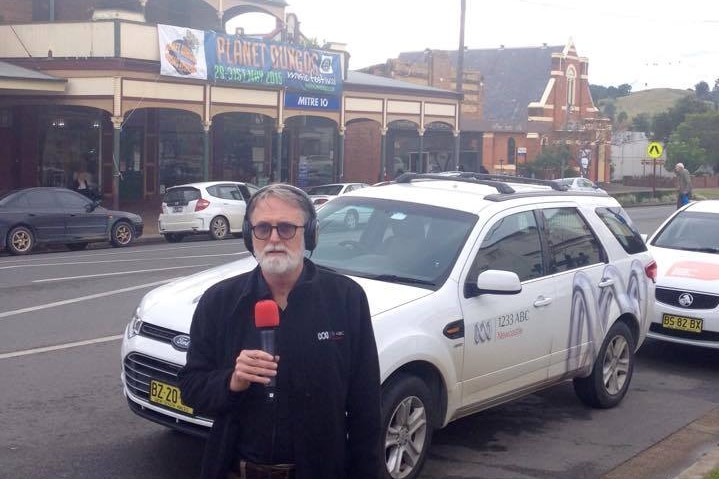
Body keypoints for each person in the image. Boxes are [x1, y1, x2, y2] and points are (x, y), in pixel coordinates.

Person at [178, 183, 382, 479]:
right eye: (263, 228)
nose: (274, 238)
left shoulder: (346, 299)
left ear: (309, 234)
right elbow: (191, 388)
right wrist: (233, 381)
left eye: (286, 228)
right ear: (250, 235)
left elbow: (366, 408)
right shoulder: (219, 302)